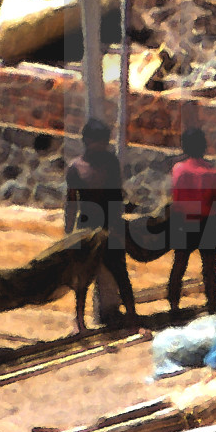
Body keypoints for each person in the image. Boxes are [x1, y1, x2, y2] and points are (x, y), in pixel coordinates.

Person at [65, 118, 138, 328]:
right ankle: (80, 321)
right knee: (83, 277)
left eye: (104, 142)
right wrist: (69, 234)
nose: (103, 146)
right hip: (86, 228)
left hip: (110, 225)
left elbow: (117, 195)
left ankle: (132, 314)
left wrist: (117, 225)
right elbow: (71, 203)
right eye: (99, 141)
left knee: (119, 270)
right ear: (87, 140)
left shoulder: (110, 163)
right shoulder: (76, 168)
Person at [167, 127, 216, 315]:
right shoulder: (214, 173)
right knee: (210, 269)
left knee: (179, 265)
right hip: (209, 222)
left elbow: (176, 198)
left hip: (185, 222)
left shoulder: (179, 169)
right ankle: (212, 307)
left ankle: (174, 306)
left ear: (184, 146)